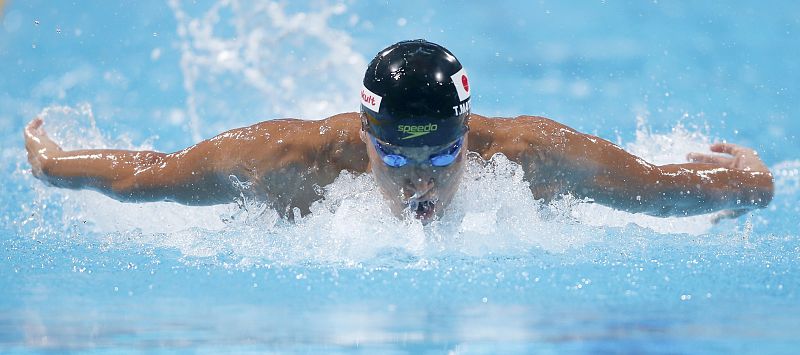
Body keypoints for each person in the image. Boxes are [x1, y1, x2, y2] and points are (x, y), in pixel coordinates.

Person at [24, 40, 773, 223]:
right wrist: (53, 161)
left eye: (444, 151)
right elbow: (148, 174)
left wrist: (750, 180)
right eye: (399, 152)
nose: (421, 177)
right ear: (363, 132)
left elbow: (658, 189)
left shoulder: (534, 157)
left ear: (470, 133)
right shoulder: (288, 161)